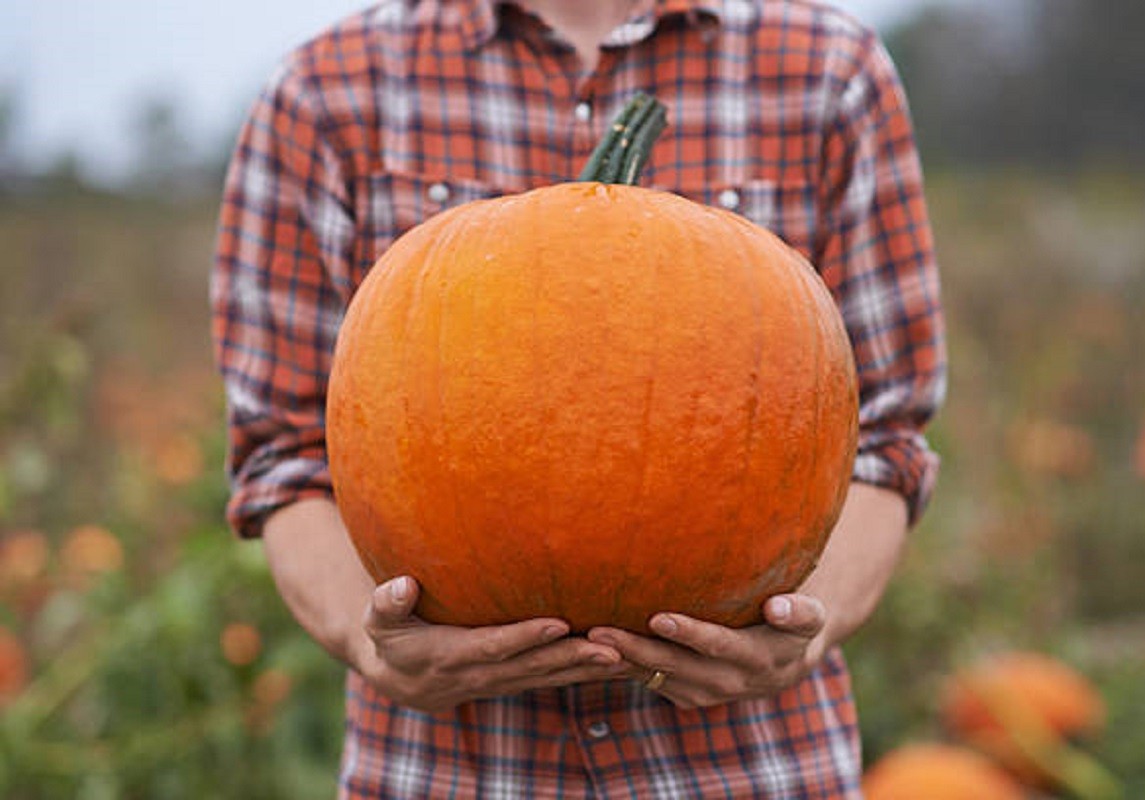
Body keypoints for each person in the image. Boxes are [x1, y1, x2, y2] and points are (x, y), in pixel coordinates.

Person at [210, 0, 946, 796]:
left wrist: (810, 628)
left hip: (748, 769)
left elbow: (887, 441)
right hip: (449, 771)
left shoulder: (829, 69)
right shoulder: (326, 89)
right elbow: (282, 454)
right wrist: (371, 643)